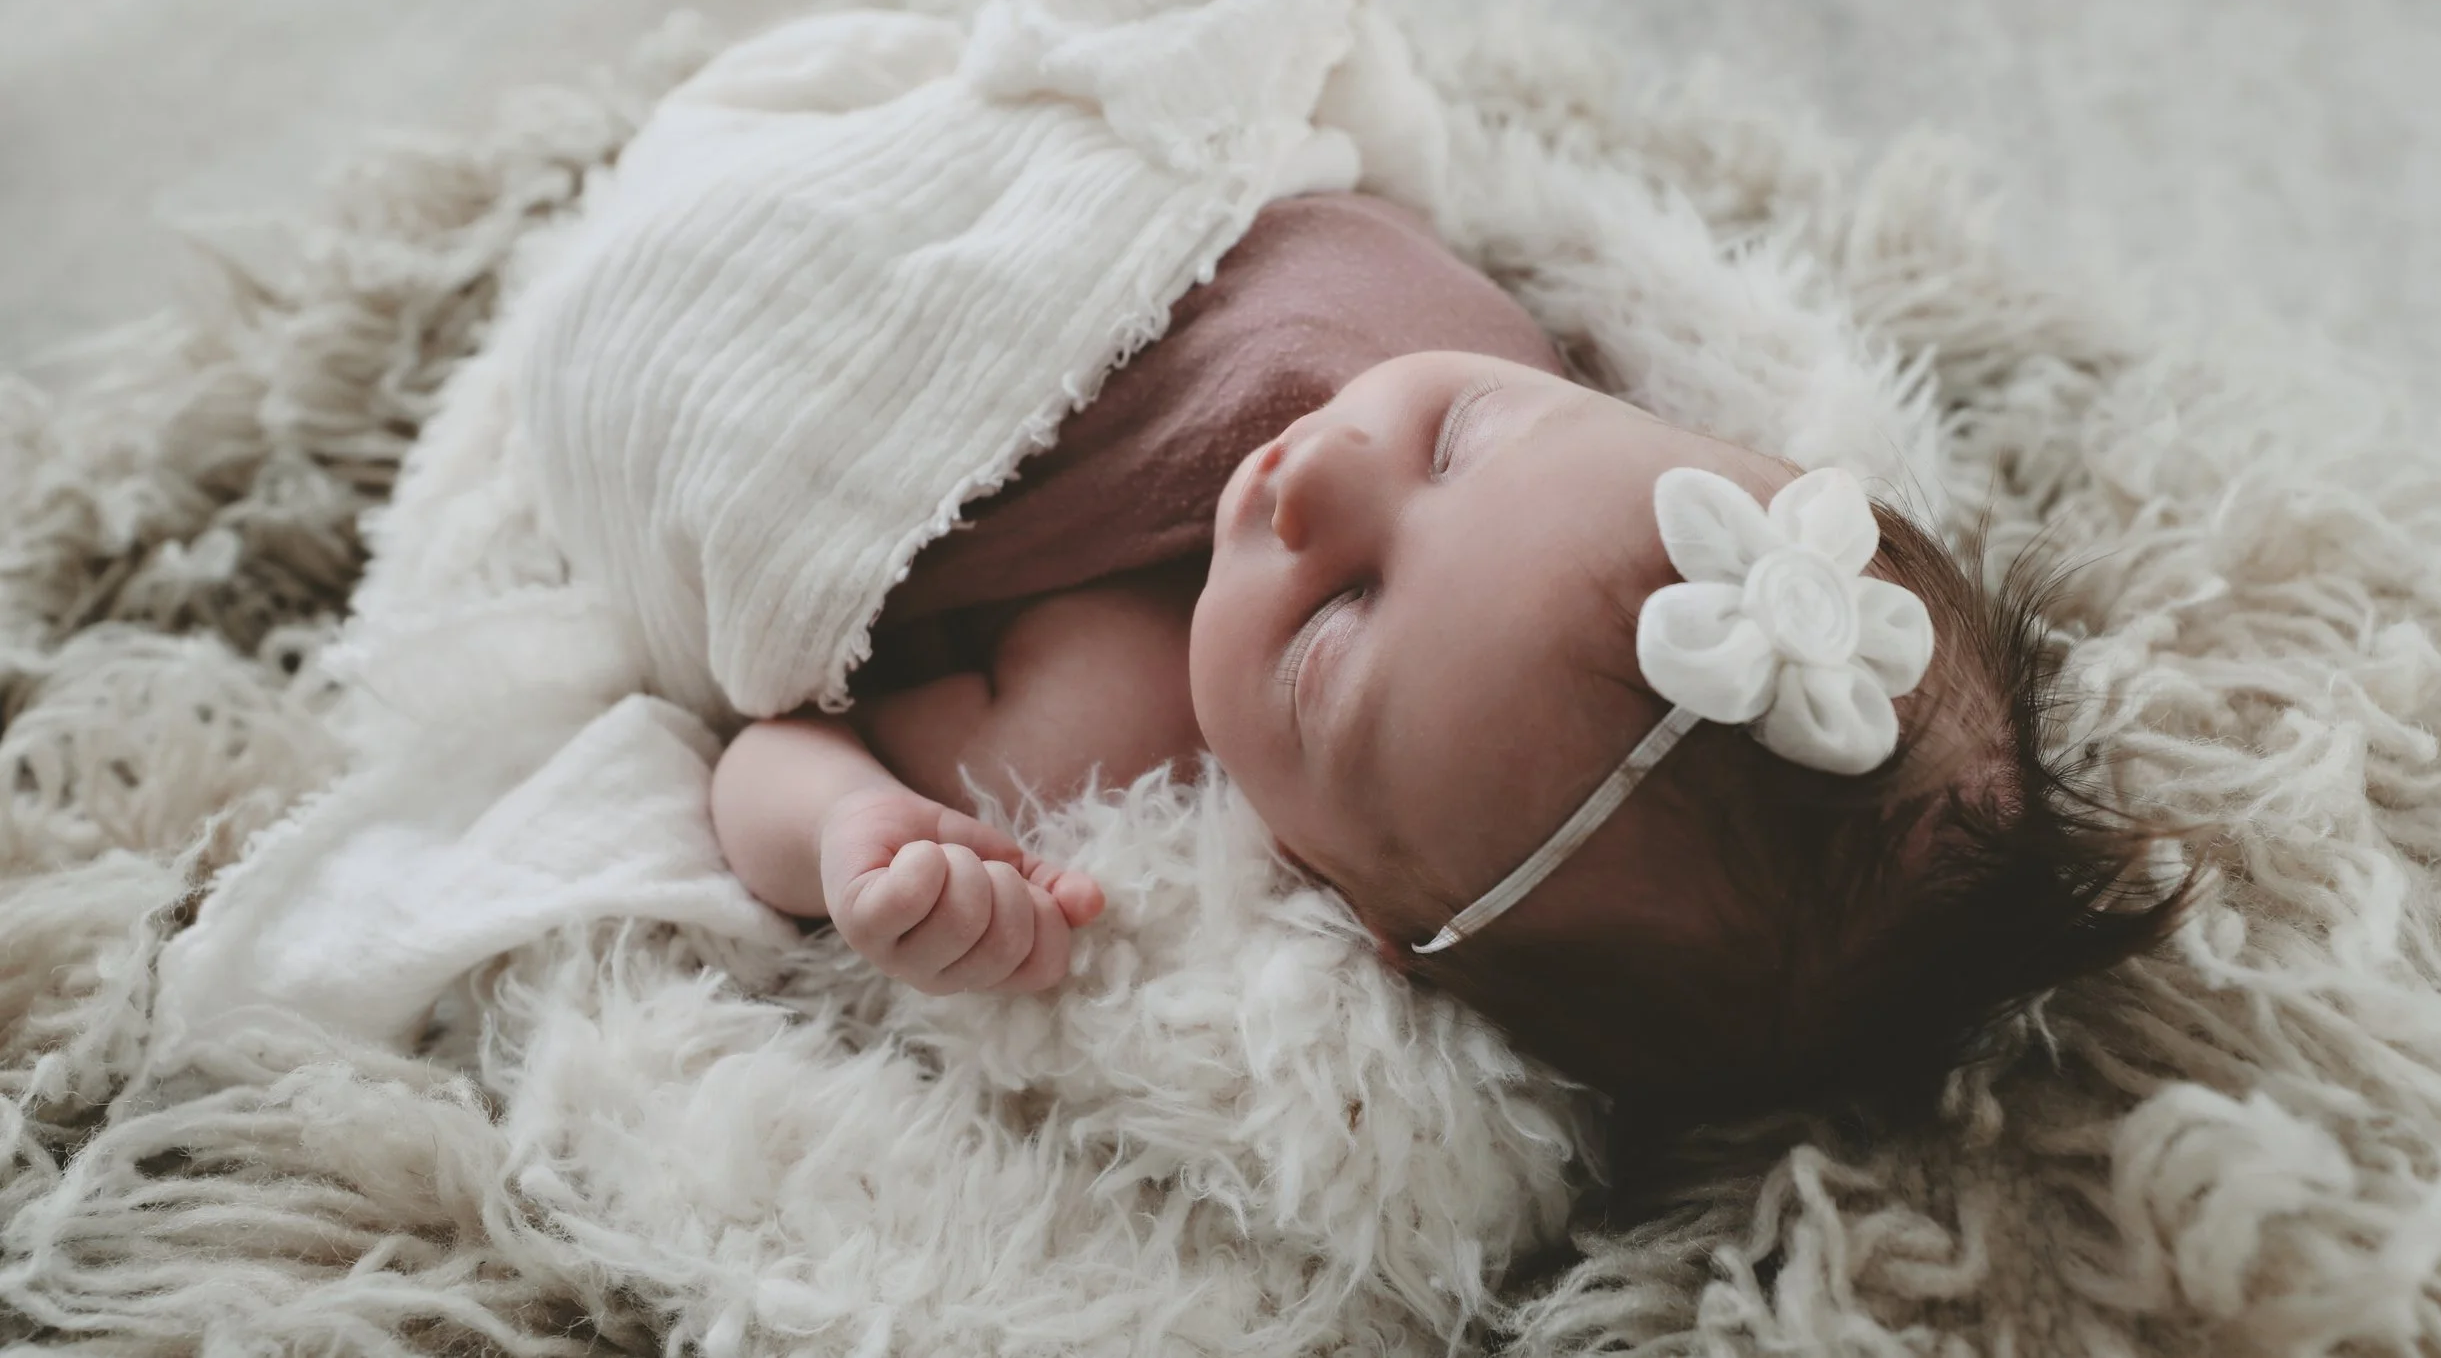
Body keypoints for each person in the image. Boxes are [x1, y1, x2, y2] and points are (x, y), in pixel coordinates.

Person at [708, 192, 2194, 1126]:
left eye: (1333, 623)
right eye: (1461, 437)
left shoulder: (1093, 723)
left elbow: (759, 737)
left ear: (1359, 902)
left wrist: (850, 827)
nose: (1316, 474)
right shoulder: (1477, 343)